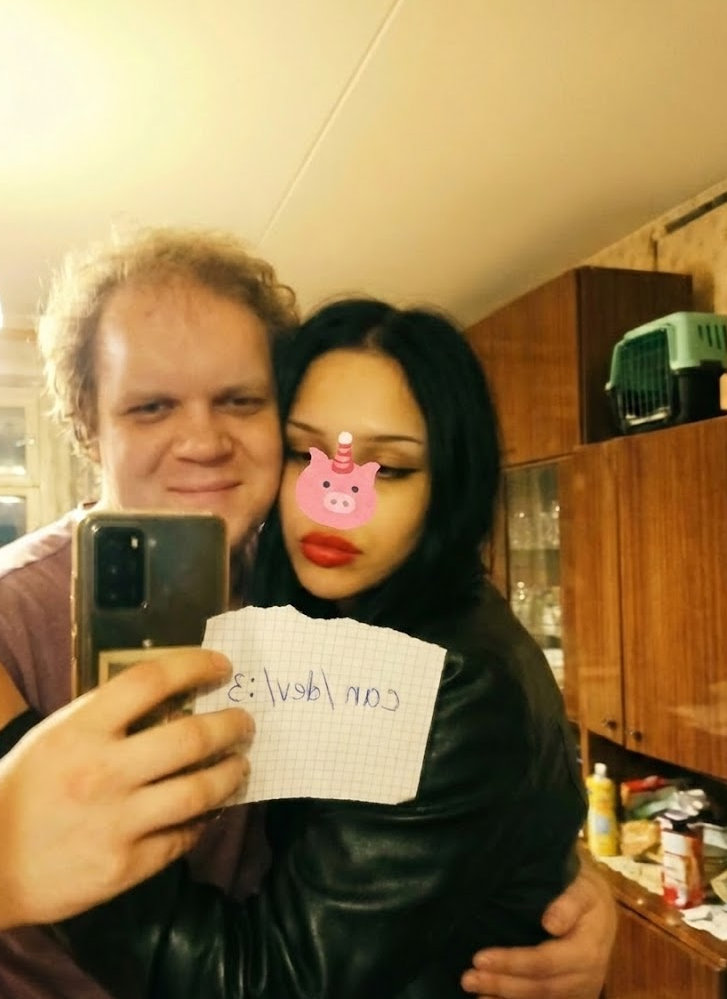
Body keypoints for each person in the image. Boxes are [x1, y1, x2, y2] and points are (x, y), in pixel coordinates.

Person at [0, 227, 616, 999]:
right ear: (87, 425)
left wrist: (546, 872)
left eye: (240, 401)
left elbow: (420, 806)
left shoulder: (305, 573)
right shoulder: (11, 617)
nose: (203, 441)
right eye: (151, 406)